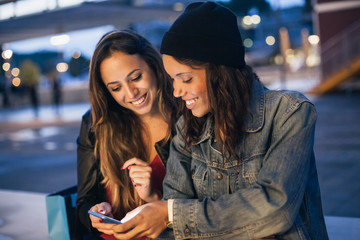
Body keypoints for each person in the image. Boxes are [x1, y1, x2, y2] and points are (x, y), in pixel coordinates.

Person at [112, 2, 329, 240]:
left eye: (185, 79)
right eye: (172, 79)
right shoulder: (186, 127)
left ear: (220, 72)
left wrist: (172, 213)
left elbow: (275, 208)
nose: (176, 91)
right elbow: (174, 226)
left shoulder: (289, 113)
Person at [75, 30, 178, 240]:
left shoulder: (187, 116)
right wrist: (96, 213)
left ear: (154, 67)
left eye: (136, 77)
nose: (131, 94)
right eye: (116, 88)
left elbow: (200, 206)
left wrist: (153, 198)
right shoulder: (96, 125)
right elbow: (85, 201)